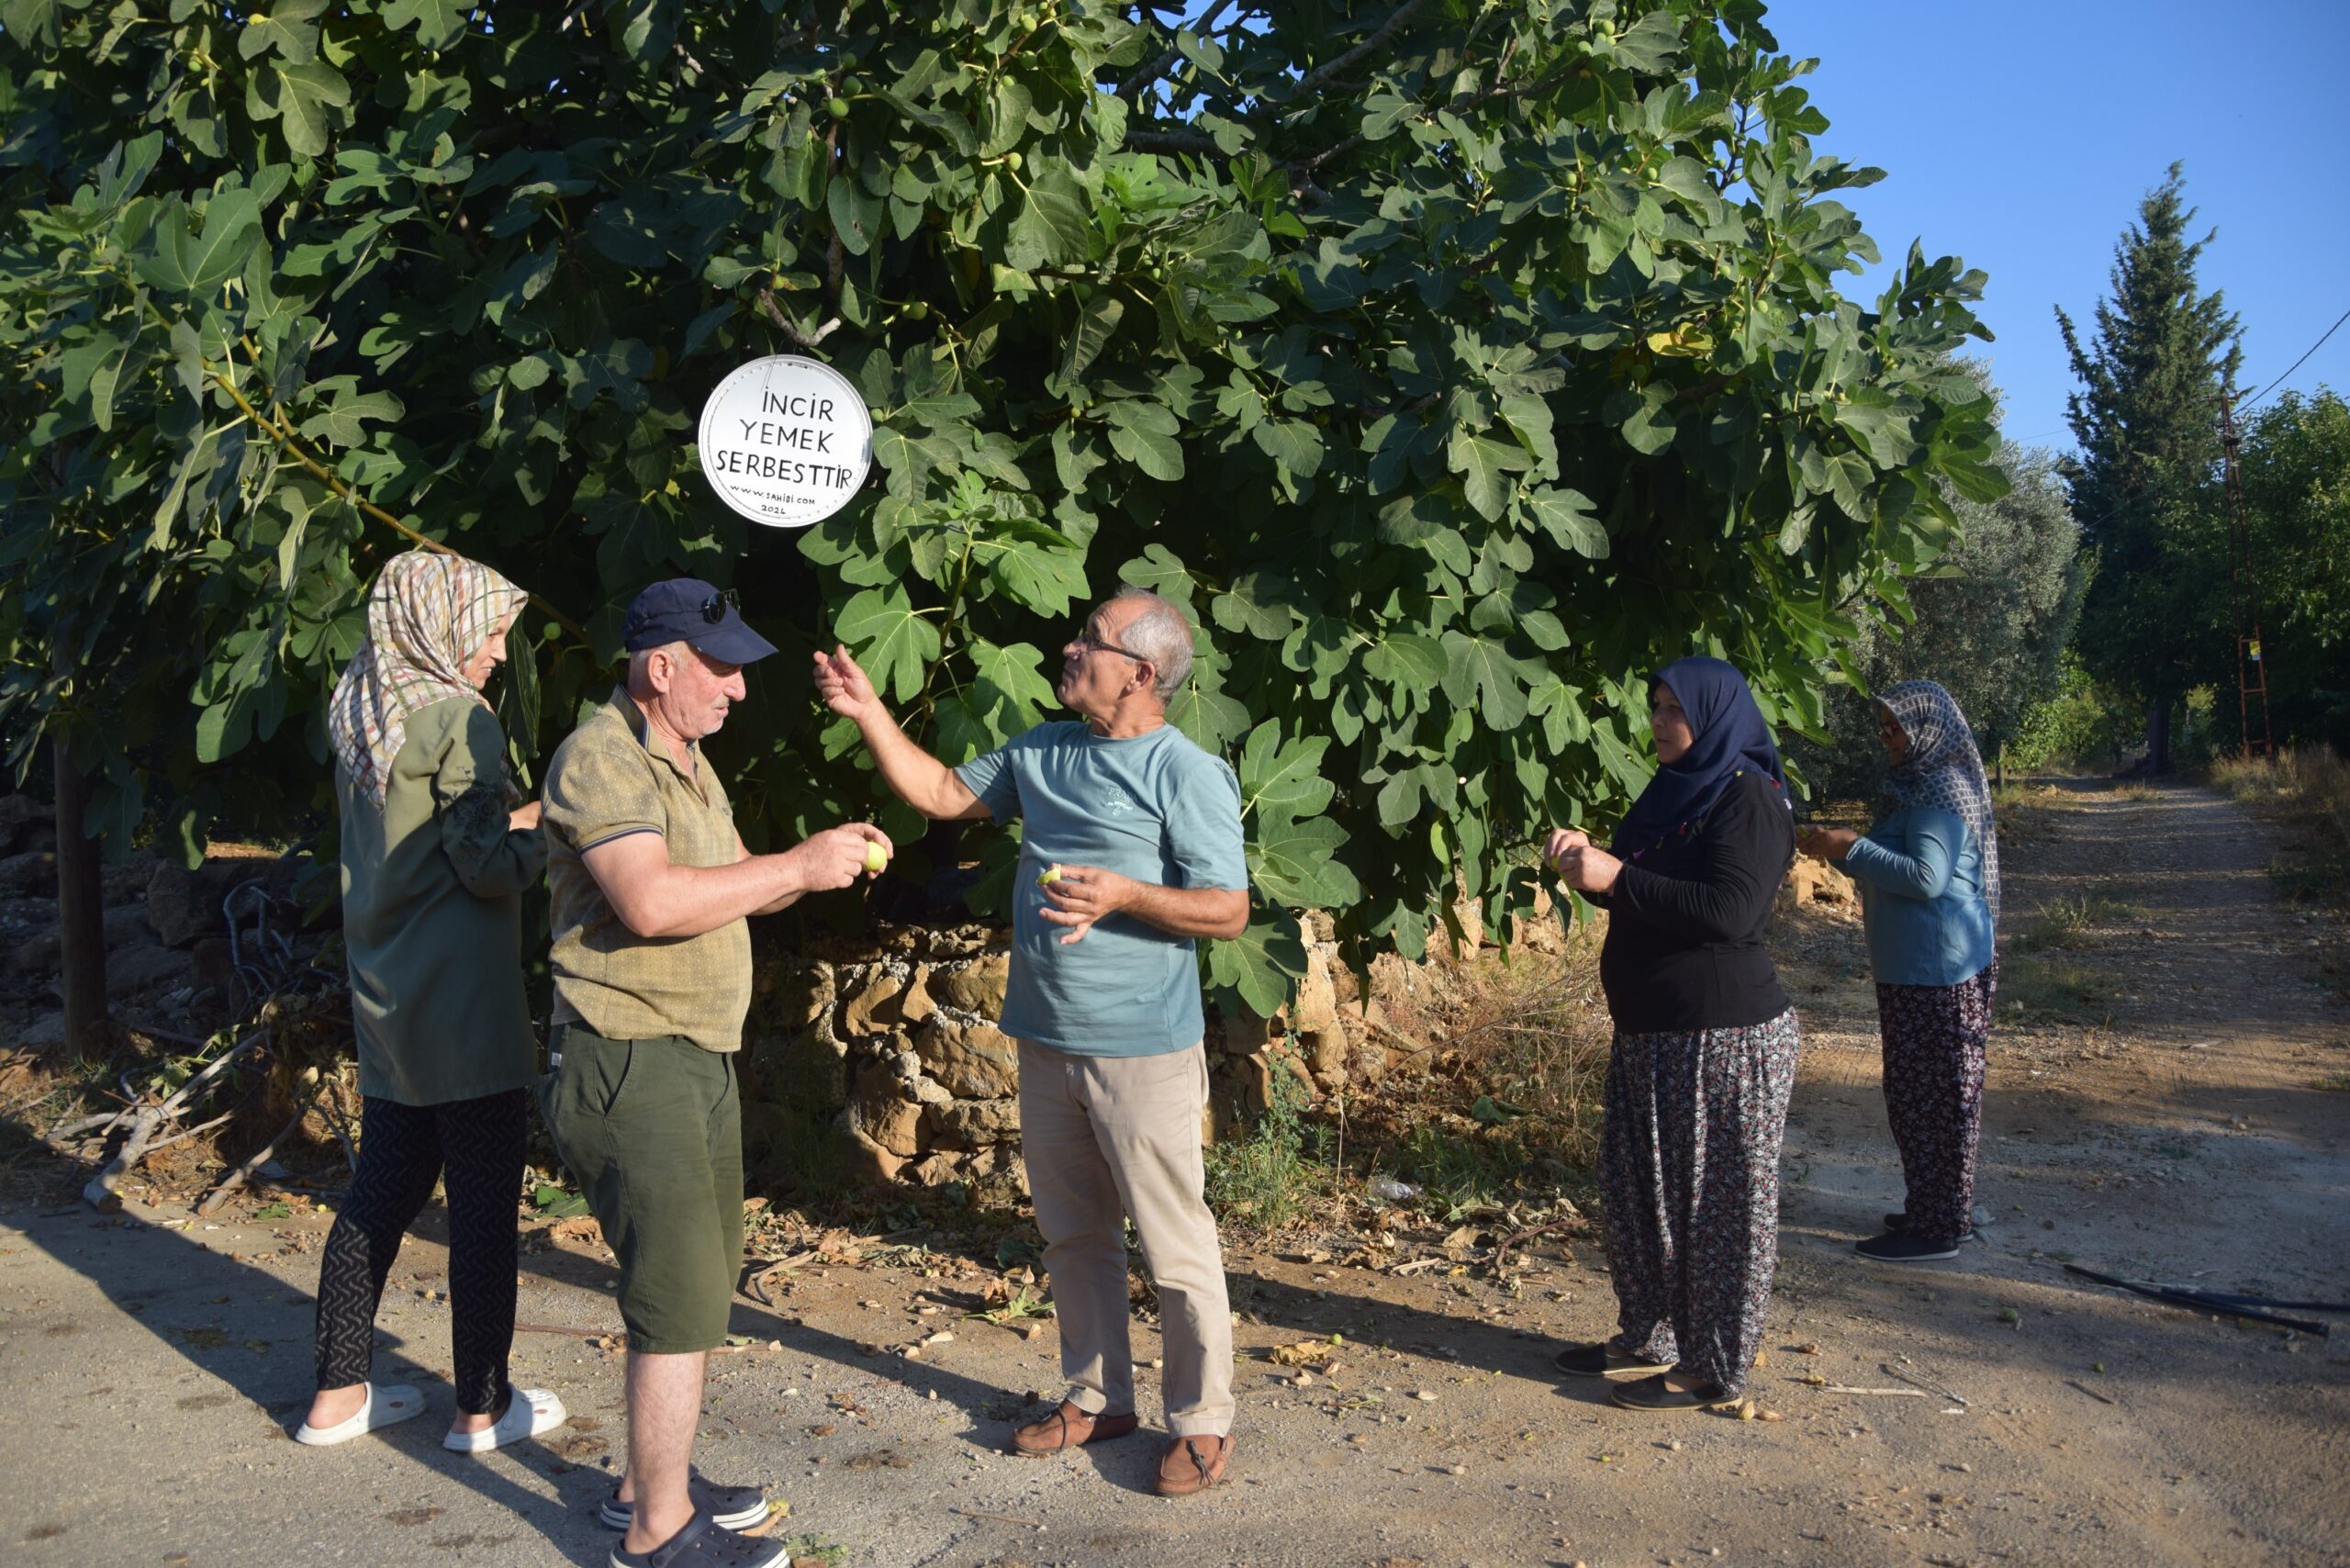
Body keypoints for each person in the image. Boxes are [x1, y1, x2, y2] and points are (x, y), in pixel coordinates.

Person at [812, 587, 1251, 1497]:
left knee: (1174, 1243)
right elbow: (939, 792)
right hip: (1044, 1037)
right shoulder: (1042, 751)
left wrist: (1126, 894)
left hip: (1143, 1047)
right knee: (1073, 1234)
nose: (1068, 647)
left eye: (1088, 640)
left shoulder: (1185, 772)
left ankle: (1202, 1422)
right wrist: (868, 712)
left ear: (1141, 671)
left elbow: (1228, 909)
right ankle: (1099, 1396)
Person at [540, 579, 891, 1568]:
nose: (738, 691)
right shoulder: (600, 760)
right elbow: (650, 902)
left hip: (692, 1053)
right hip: (629, 1056)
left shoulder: (683, 760)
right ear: (662, 667)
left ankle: (641, 1487)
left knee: (690, 1286)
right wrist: (800, 865)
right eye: (722, 668)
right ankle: (656, 1535)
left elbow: (733, 878)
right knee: (678, 1295)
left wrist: (818, 858)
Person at [300, 550, 567, 1453]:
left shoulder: (363, 706)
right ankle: (483, 1409)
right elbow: (485, 865)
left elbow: (420, 846)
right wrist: (556, 836)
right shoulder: (459, 717)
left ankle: (336, 1394)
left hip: (387, 991)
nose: (496, 651)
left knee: (383, 1186)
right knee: (486, 1205)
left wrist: (508, 826)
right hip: (465, 999)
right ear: (442, 628)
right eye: (489, 630)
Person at [1542, 656, 1800, 1412]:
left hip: (1722, 1039)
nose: (1655, 721)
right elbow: (1648, 894)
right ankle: (1647, 1333)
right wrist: (1585, 866)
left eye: (1670, 709)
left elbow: (1732, 912)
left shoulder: (1749, 797)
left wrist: (1616, 878)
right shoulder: (1675, 791)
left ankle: (1711, 1366)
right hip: (1653, 1034)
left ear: (1714, 715)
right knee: (1637, 1196)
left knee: (1715, 1211)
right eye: (1653, 705)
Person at [1796, 681, 1998, 1264]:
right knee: (1917, 1094)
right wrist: (1841, 845)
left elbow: (1926, 878)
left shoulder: (1939, 788)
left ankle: (1937, 1230)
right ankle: (1935, 1208)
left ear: (1926, 729)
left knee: (1935, 1097)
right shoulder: (1914, 787)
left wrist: (1850, 849)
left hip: (1940, 971)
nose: (1887, 738)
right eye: (1882, 727)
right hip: (1918, 969)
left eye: (1895, 727)